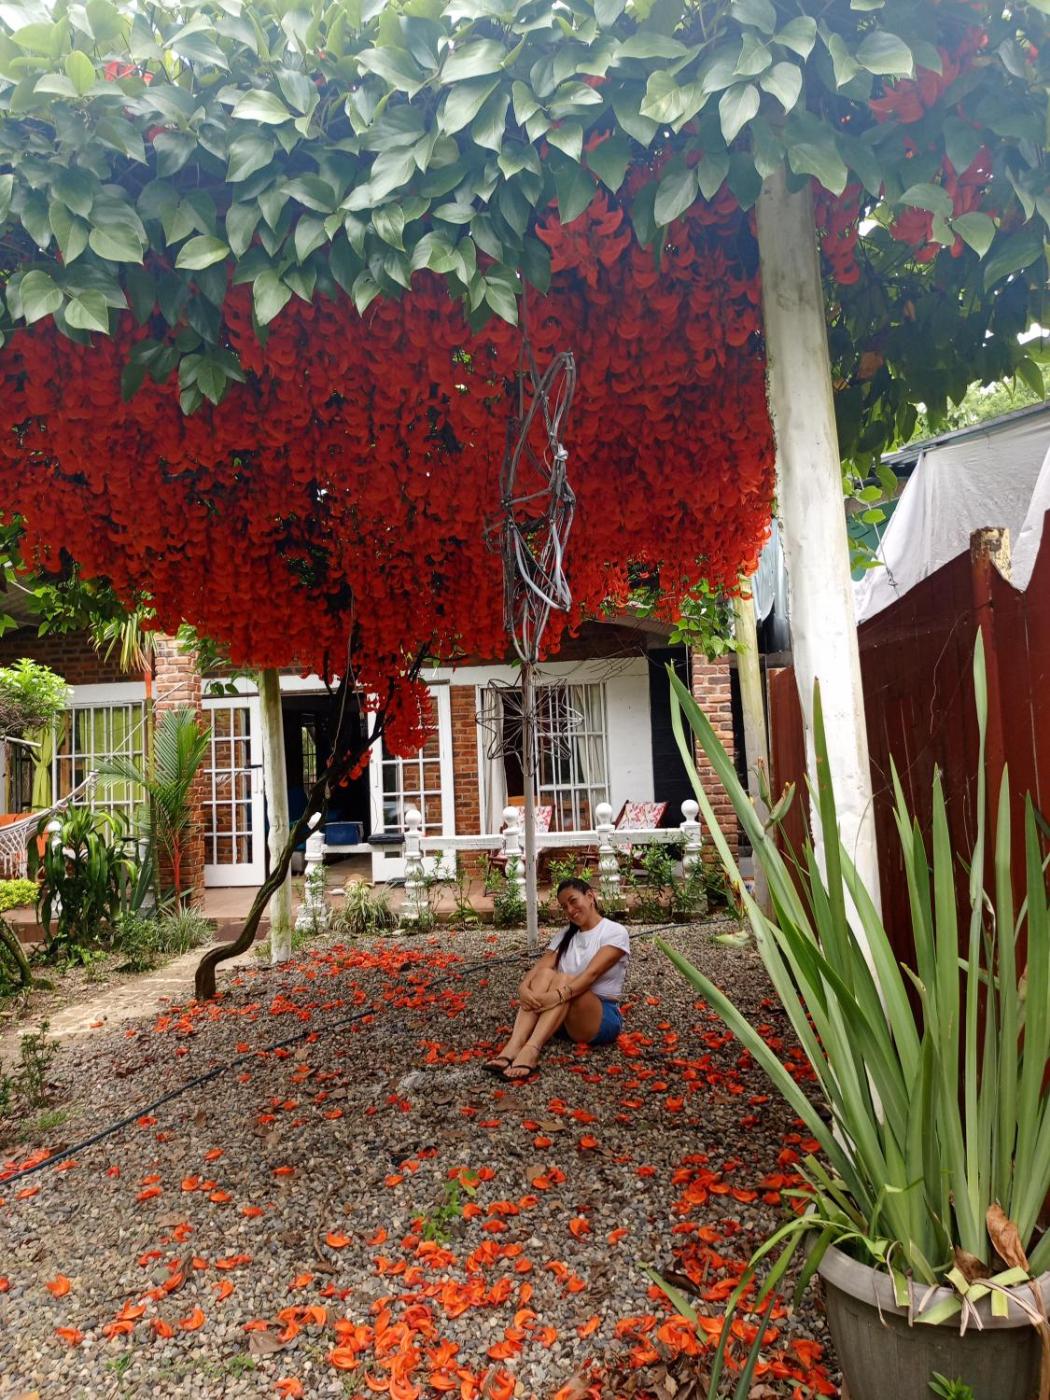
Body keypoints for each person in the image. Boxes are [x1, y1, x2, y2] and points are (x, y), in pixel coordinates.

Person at [482, 877, 629, 1083]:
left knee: (564, 978)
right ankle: (514, 1045)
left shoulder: (614, 932)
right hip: (561, 1016)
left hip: (598, 1018)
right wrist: (524, 988)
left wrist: (555, 996)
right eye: (564, 907)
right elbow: (540, 967)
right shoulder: (565, 935)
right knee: (545, 974)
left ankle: (532, 1049)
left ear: (590, 896)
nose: (570, 910)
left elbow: (591, 975)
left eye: (573, 901)